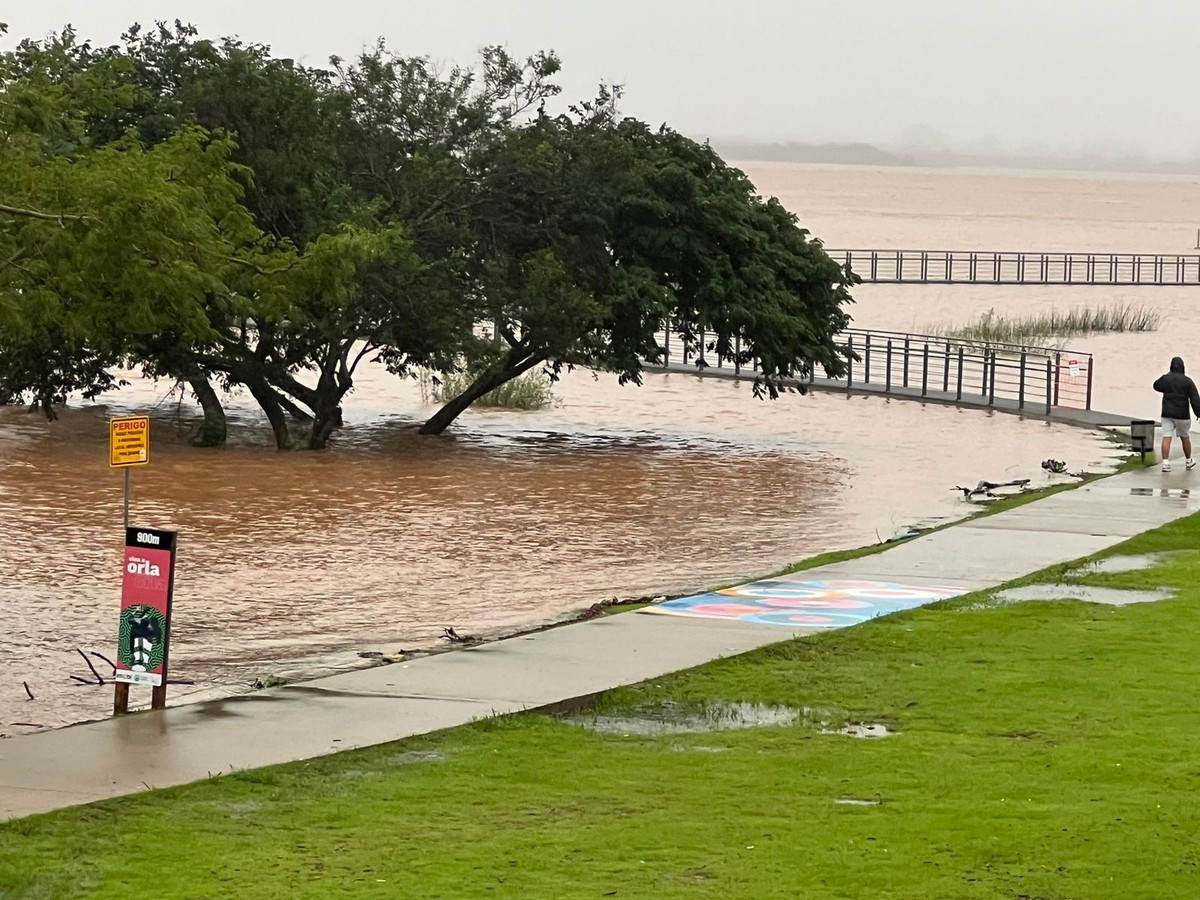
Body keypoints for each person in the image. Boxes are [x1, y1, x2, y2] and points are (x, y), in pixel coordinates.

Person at [1152, 356, 1200, 472]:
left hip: (1167, 413)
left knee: (1166, 437)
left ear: (1171, 367)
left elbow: (1156, 385)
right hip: (1182, 414)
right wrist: (1198, 412)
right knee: (1185, 437)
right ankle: (1188, 461)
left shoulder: (1166, 379)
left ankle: (1165, 463)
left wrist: (1168, 374)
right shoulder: (1188, 381)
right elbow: (1195, 398)